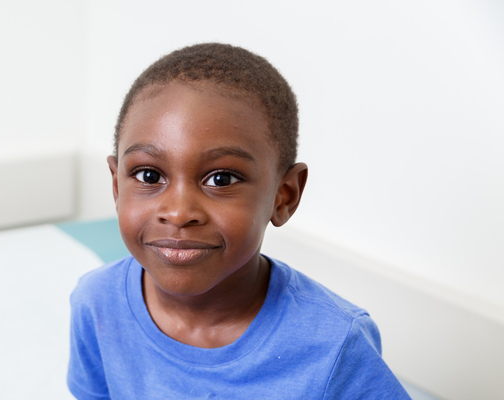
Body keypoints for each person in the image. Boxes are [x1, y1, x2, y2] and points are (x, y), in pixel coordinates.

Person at [67, 43, 410, 399]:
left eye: (221, 179)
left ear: (284, 195)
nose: (179, 212)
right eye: (149, 176)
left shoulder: (336, 345)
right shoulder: (96, 303)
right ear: (116, 185)